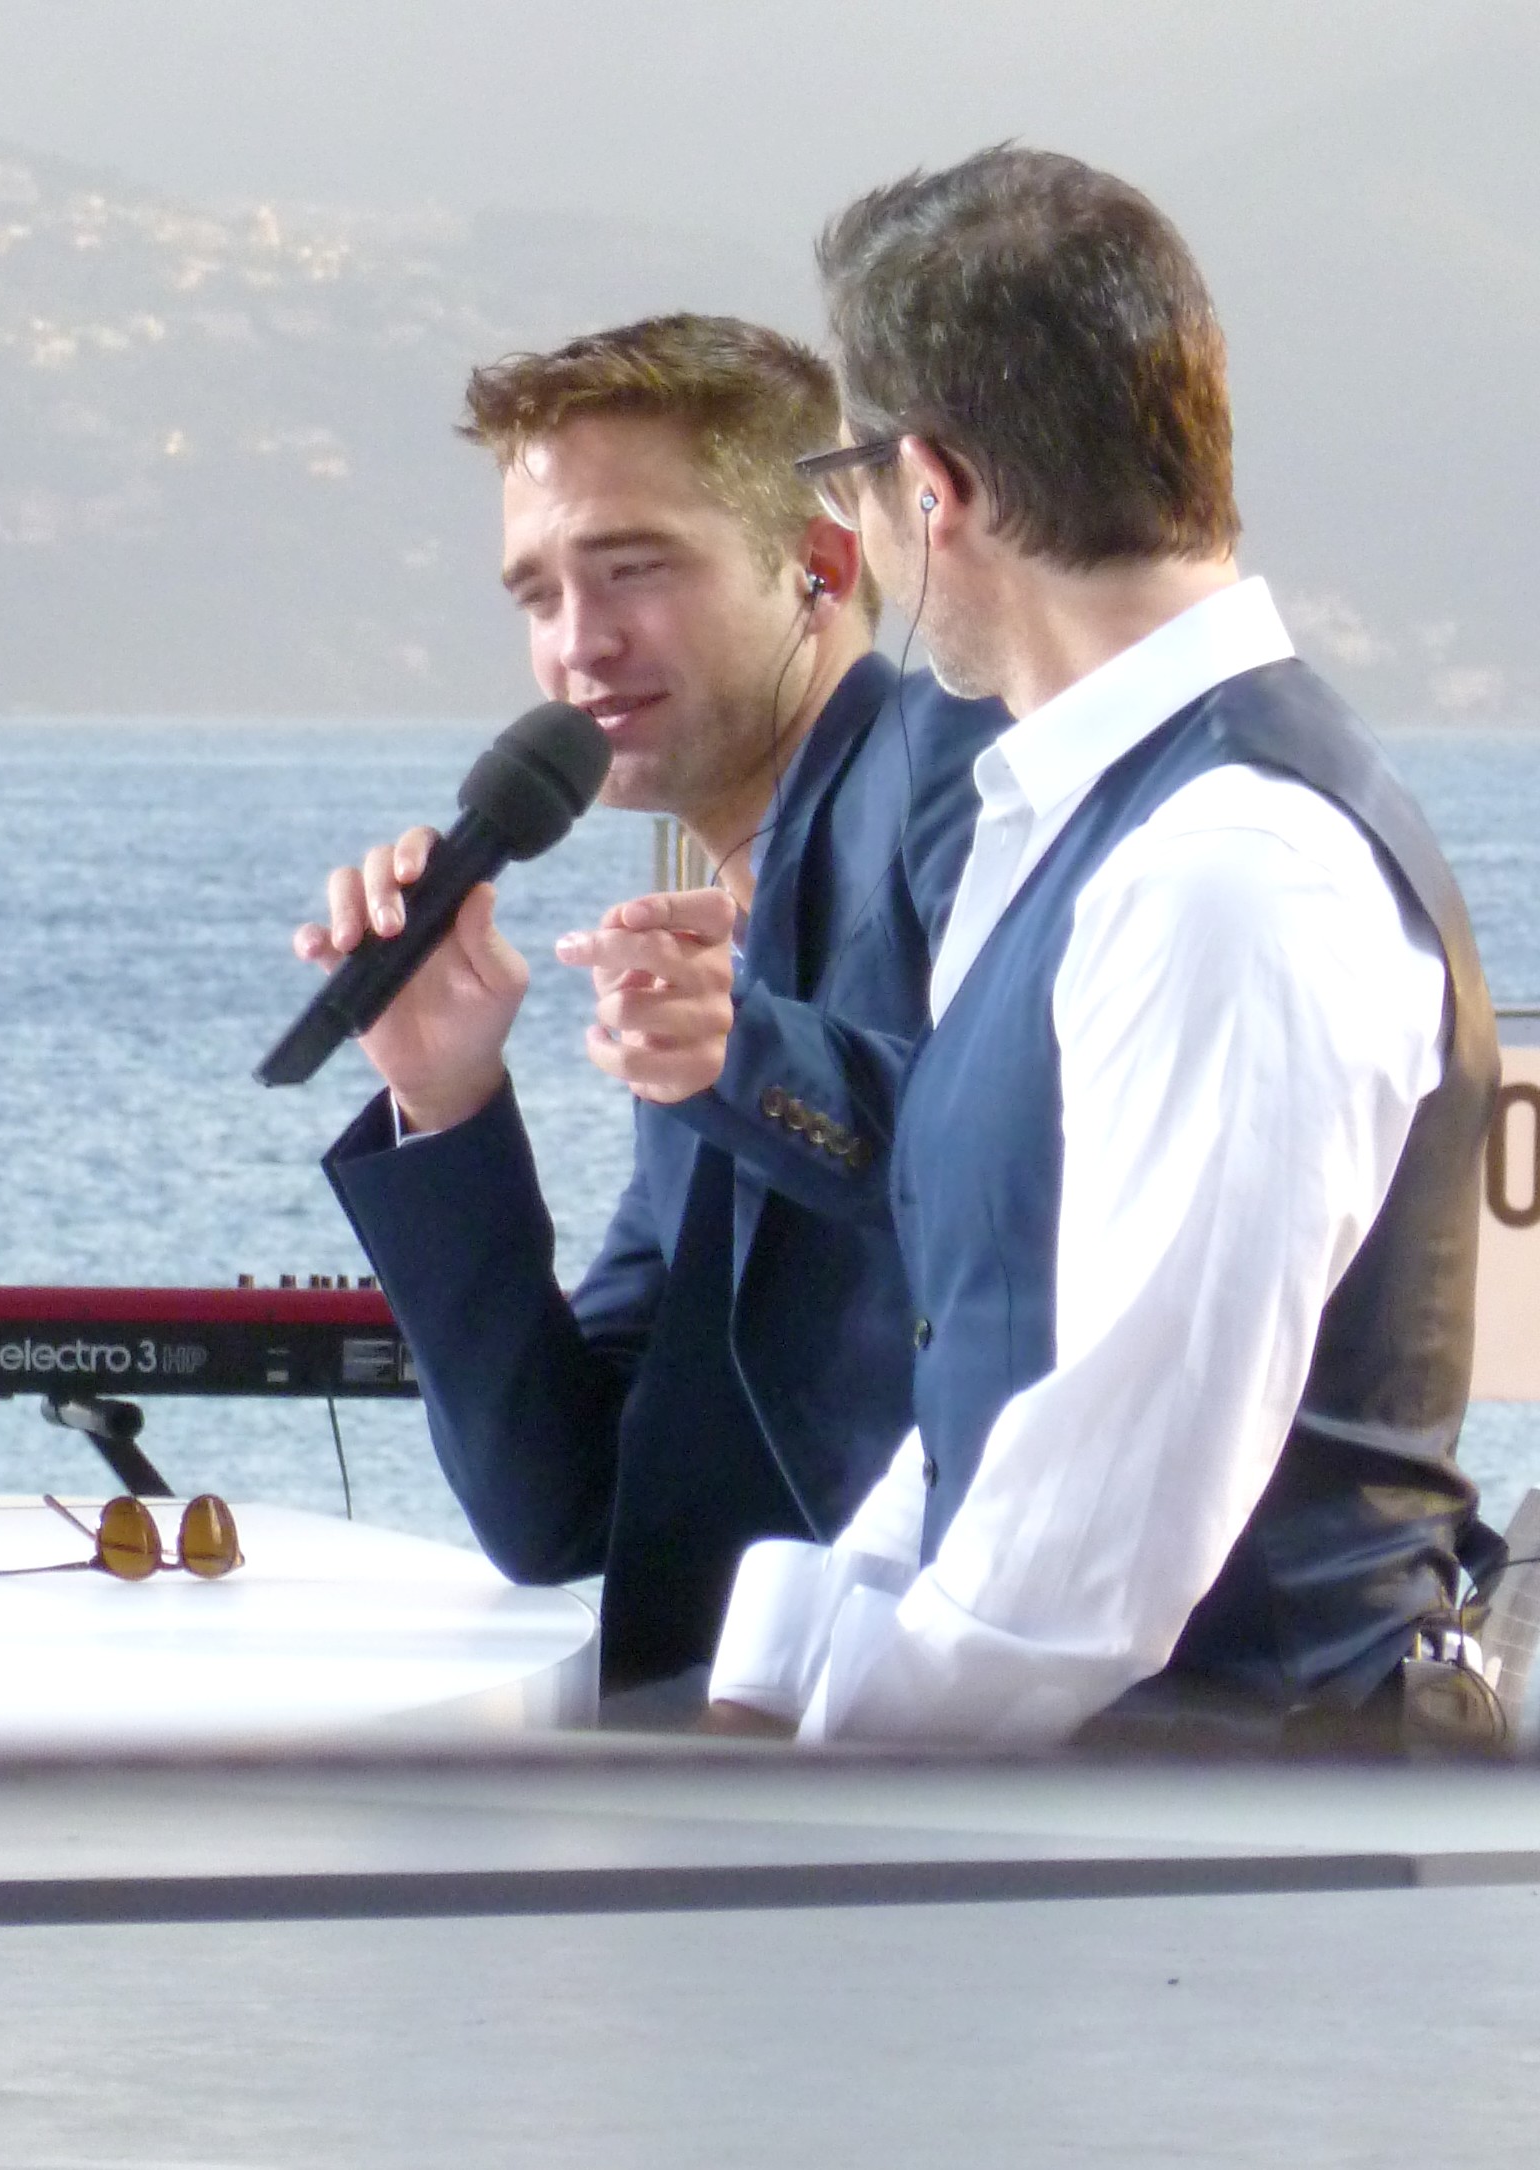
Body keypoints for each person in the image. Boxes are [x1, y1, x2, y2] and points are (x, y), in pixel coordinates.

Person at [701, 147, 1502, 1750]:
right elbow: (998, 1384)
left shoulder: (1233, 874)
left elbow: (1101, 1549)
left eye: (850, 482)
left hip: (1235, 1840)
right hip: (1101, 1817)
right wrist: (781, 1672)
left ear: (936, 491)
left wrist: (813, 1788)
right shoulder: (1097, 826)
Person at [302, 314, 1007, 1707]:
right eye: (537, 596)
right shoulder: (707, 936)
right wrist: (447, 1101)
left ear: (821, 566)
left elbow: (1037, 1198)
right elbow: (558, 1505)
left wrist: (746, 1058)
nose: (580, 644)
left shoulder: (959, 775)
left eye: (635, 569)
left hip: (953, 1730)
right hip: (739, 1745)